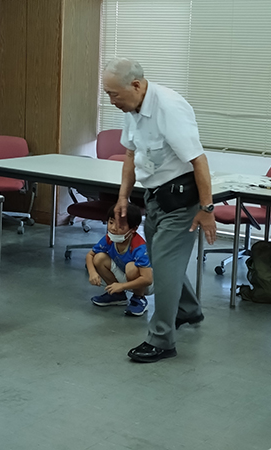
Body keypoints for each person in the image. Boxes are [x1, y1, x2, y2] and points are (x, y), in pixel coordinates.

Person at [102, 57, 216, 363]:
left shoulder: (169, 108)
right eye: (107, 94)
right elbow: (130, 154)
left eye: (114, 94)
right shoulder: (133, 108)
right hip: (154, 197)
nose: (111, 101)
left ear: (136, 85)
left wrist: (207, 208)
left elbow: (199, 160)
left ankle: (162, 340)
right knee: (166, 262)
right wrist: (123, 197)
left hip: (181, 202)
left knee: (162, 270)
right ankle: (188, 310)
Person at [86, 203, 152, 317]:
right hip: (126, 276)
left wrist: (122, 286)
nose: (113, 228)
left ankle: (139, 298)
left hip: (146, 282)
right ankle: (117, 295)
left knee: (131, 267)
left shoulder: (139, 247)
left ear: (133, 229)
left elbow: (147, 279)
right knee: (99, 258)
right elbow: (90, 255)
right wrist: (92, 272)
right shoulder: (109, 238)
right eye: (111, 222)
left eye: (120, 226)